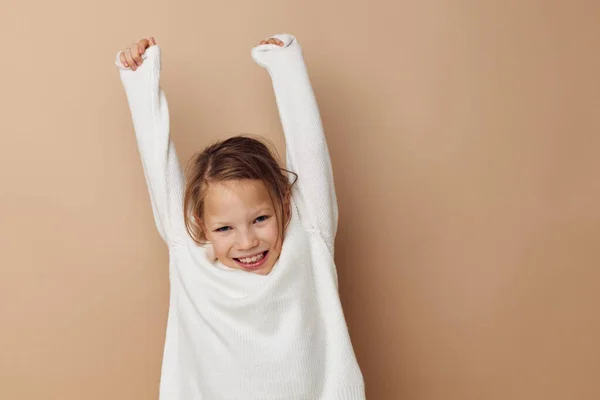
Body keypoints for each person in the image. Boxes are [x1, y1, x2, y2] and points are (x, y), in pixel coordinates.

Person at [115, 33, 365, 399]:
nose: (247, 242)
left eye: (260, 219)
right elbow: (158, 166)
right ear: (201, 225)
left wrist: (285, 66)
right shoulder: (189, 254)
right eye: (224, 228)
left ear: (284, 202)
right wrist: (140, 83)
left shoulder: (309, 238)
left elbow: (310, 150)